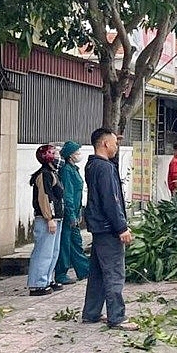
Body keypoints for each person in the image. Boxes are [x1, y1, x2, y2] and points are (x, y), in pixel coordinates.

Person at [82, 128, 138, 330]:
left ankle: (91, 312)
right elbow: (111, 200)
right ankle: (117, 317)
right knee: (114, 272)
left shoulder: (92, 165)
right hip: (108, 228)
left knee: (97, 273)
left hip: (98, 227)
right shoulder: (104, 168)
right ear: (105, 144)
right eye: (114, 143)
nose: (116, 146)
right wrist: (121, 227)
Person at [27, 144, 65, 296]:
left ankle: (47, 279)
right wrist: (49, 218)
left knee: (53, 251)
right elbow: (45, 197)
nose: (57, 156)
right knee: (43, 251)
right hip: (46, 219)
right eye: (55, 153)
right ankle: (37, 283)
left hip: (56, 218)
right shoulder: (44, 174)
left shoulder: (52, 172)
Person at [55, 140, 90, 285]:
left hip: (75, 210)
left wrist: (78, 212)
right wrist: (71, 214)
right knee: (66, 243)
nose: (79, 155)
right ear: (70, 155)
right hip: (68, 213)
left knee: (76, 242)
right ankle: (61, 273)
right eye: (77, 153)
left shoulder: (73, 169)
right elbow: (67, 194)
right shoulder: (66, 171)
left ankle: (84, 270)